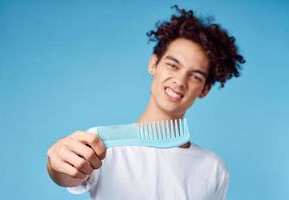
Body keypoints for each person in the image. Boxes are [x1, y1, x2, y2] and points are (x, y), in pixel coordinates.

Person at [46, 5, 245, 200]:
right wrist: (57, 162)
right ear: (153, 65)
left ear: (205, 89)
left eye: (195, 76)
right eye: (173, 65)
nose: (180, 80)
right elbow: (66, 175)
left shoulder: (214, 169)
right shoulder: (102, 146)